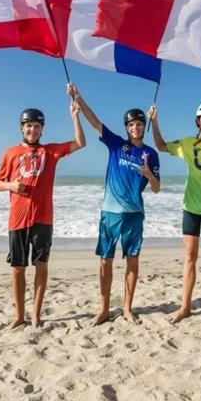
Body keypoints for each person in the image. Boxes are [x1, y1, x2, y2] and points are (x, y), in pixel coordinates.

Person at [67, 83, 160, 325]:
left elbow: (157, 188)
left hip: (134, 214)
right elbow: (95, 122)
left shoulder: (150, 154)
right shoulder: (117, 145)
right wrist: (79, 97)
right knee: (105, 260)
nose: (136, 128)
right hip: (110, 212)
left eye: (139, 124)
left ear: (144, 127)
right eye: (131, 125)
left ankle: (127, 308)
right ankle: (104, 308)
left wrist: (149, 174)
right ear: (127, 128)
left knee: (132, 261)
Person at [0, 101, 85, 329]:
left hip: (43, 218)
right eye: (28, 126)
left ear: (42, 129)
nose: (32, 130)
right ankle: (19, 315)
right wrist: (11, 186)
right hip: (17, 219)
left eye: (36, 126)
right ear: (21, 128)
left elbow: (80, 143)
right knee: (17, 268)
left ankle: (36, 314)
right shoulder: (10, 153)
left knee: (41, 264)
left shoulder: (50, 151)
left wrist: (75, 116)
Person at [148, 101, 201, 324]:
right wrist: (154, 122)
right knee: (189, 258)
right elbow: (160, 145)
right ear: (199, 121)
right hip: (190, 208)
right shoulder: (188, 144)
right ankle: (185, 307)